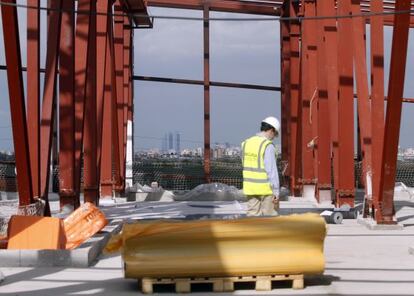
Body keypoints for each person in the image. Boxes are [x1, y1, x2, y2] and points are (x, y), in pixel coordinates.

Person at [241, 116, 280, 216]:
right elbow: (271, 170)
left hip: (250, 188)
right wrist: (276, 191)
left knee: (253, 220)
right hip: (266, 190)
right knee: (269, 219)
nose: (274, 137)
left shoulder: (246, 143)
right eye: (275, 134)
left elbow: (244, 164)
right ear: (272, 130)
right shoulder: (267, 145)